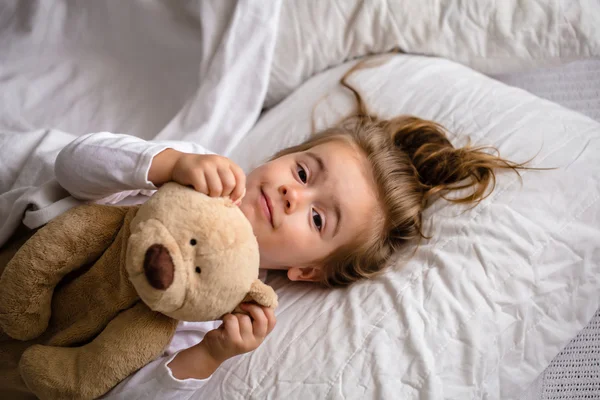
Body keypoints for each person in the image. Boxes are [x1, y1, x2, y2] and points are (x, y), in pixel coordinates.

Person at [49, 69, 526, 398]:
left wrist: (210, 355)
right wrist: (168, 163)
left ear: (306, 270)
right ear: (282, 154)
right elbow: (70, 165)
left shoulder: (213, 314)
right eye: (301, 172)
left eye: (319, 219)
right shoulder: (185, 168)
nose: (292, 196)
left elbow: (119, 394)